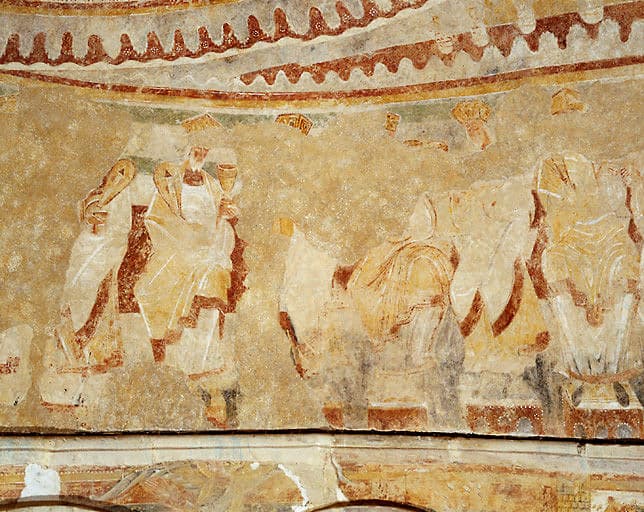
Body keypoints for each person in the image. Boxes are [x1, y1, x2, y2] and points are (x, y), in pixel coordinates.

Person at [134, 144, 240, 374]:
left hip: (208, 250)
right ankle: (174, 362)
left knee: (214, 277)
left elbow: (218, 224)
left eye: (204, 152)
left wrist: (223, 216)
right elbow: (155, 221)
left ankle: (201, 361)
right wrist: (187, 235)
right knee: (154, 288)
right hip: (175, 250)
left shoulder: (212, 185)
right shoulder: (170, 186)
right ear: (186, 152)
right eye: (196, 151)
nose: (200, 156)